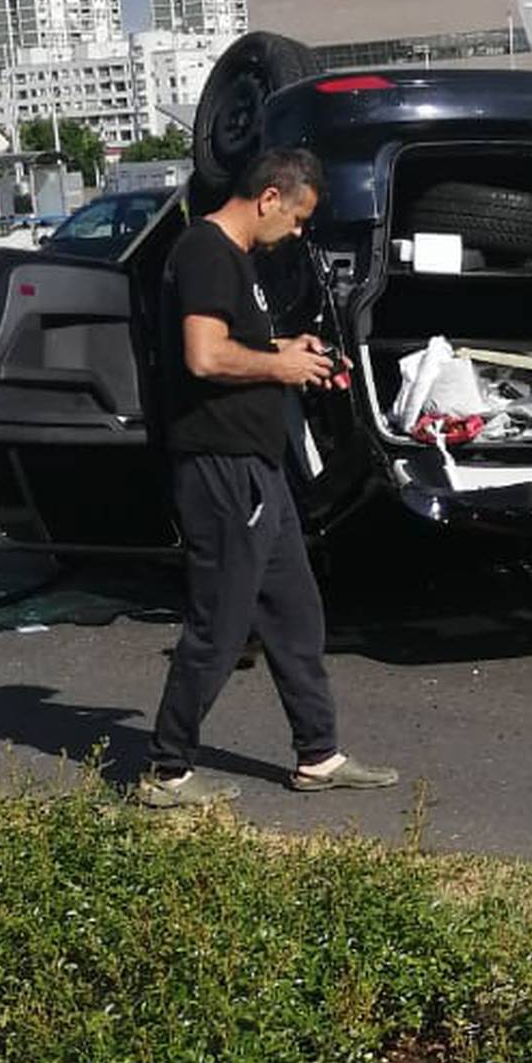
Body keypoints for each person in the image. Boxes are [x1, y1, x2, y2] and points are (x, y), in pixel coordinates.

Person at [137, 148, 399, 807]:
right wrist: (277, 369)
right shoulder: (205, 252)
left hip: (258, 467)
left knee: (294, 612)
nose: (301, 230)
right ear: (269, 198)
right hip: (221, 466)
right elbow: (204, 355)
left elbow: (239, 344)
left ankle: (319, 754)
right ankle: (166, 772)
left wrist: (290, 351)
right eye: (301, 216)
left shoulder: (238, 262)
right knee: (221, 623)